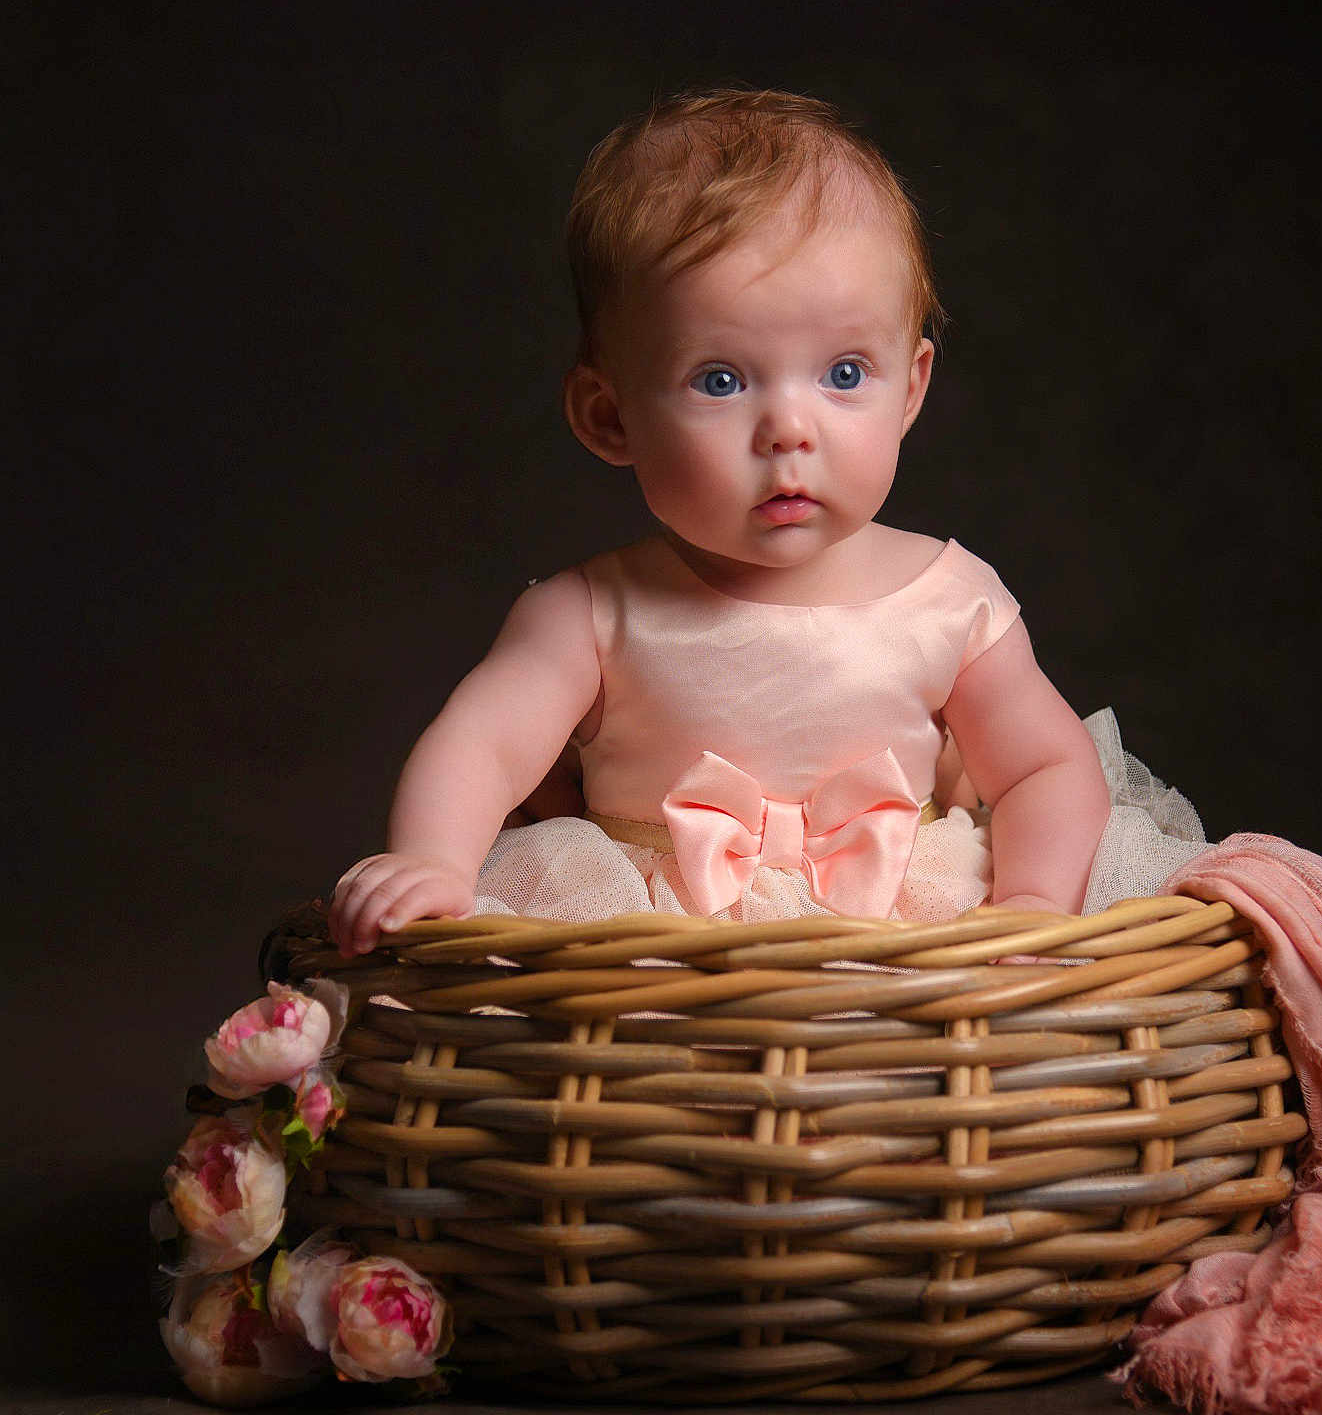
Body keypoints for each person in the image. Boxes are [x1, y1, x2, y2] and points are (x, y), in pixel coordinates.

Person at [329, 88, 1203, 957]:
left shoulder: (952, 604)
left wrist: (1032, 905)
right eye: (721, 380)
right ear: (610, 417)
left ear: (912, 388)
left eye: (845, 373)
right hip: (653, 950)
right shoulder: (590, 616)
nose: (790, 428)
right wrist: (434, 863)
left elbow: (1048, 768)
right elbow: (479, 747)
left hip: (916, 941)